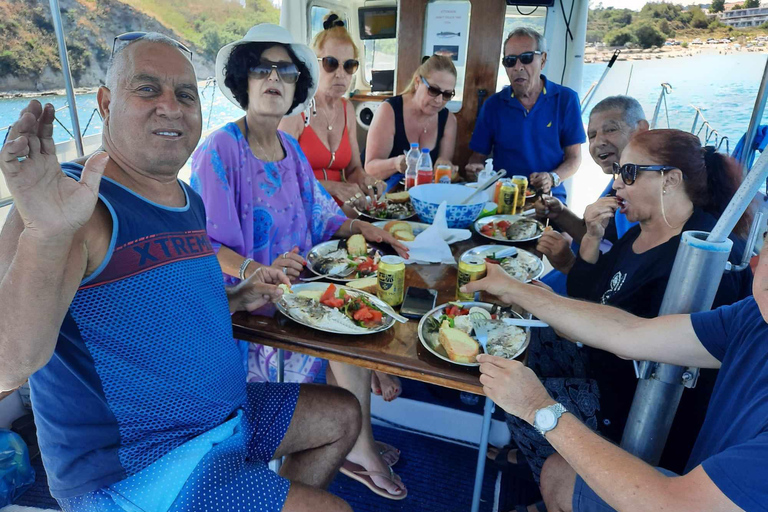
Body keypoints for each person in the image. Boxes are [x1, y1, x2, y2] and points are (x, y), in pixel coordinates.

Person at [0, 33, 361, 512]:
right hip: (142, 465)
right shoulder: (70, 203)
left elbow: (156, 305)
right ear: (105, 103)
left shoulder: (185, 200)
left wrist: (234, 297)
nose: (171, 107)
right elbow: (8, 361)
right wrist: (43, 233)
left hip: (224, 420)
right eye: (147, 89)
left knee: (342, 414)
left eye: (185, 94)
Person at [191, 24, 407, 500]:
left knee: (303, 425)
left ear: (295, 88)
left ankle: (289, 493)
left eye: (285, 71)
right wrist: (252, 270)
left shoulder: (290, 151)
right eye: (262, 68)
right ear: (243, 80)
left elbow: (322, 215)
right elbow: (200, 243)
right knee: (252, 441)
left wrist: (368, 230)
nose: (274, 78)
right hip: (247, 325)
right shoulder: (219, 151)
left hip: (298, 311)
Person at [488, 129, 753, 484]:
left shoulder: (704, 256)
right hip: (605, 363)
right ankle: (547, 460)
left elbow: (657, 352)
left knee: (518, 399)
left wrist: (539, 301)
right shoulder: (640, 231)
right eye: (617, 174)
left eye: (629, 174)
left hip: (642, 404)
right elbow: (592, 293)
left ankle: (562, 484)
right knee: (521, 343)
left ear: (670, 180)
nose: (616, 186)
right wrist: (591, 239)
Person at [461, 237, 768, 512]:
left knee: (559, 472)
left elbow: (674, 504)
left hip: (680, 499)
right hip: (701, 489)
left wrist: (538, 408)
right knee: (559, 474)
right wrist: (515, 288)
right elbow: (629, 334)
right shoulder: (754, 317)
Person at [536, 96, 648, 292]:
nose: (598, 143)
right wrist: (560, 213)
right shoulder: (621, 178)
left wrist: (568, 264)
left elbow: (622, 280)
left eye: (611, 130)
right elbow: (602, 240)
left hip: (588, 291)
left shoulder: (645, 193)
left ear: (641, 129)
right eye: (592, 136)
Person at [465, 27, 584, 204]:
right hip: (503, 196)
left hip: (549, 197)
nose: (518, 67)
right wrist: (475, 170)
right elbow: (477, 157)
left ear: (543, 60)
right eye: (510, 61)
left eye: (527, 58)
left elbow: (574, 158)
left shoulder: (566, 99)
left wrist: (552, 178)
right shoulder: (493, 105)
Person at [280, 14, 384, 216]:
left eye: (349, 65)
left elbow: (354, 169)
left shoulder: (347, 109)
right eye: (330, 63)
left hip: (340, 213)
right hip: (301, 213)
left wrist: (365, 179)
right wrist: (335, 187)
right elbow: (283, 178)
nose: (340, 73)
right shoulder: (295, 110)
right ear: (312, 65)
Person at [364, 54, 458, 190]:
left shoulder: (449, 120)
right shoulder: (389, 110)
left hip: (423, 193)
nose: (439, 100)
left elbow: (443, 165)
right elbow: (370, 169)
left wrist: (445, 164)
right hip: (384, 192)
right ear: (417, 82)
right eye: (433, 90)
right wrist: (395, 164)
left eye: (447, 94)